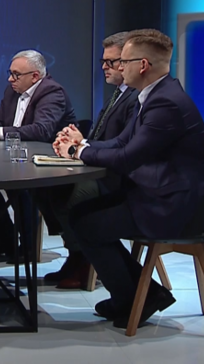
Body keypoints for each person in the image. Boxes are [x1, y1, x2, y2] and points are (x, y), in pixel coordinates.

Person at [54, 29, 204, 328]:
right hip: (158, 194)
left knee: (87, 223)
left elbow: (128, 158)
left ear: (142, 65)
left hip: (173, 206)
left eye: (123, 62)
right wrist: (82, 145)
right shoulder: (152, 96)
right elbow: (120, 143)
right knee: (80, 215)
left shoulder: (166, 103)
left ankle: (137, 297)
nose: (118, 67)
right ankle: (140, 294)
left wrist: (76, 152)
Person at [40, 32, 139, 289]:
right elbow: (106, 138)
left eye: (111, 61)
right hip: (102, 167)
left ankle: (84, 259)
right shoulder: (118, 94)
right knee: (45, 189)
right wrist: (79, 140)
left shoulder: (136, 98)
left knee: (72, 195)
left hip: (119, 179)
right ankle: (76, 254)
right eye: (103, 61)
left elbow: (124, 146)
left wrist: (80, 147)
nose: (104, 67)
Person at [0, 50, 77, 261]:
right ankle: (4, 239)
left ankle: (29, 247)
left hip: (46, 160)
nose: (10, 79)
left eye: (16, 75)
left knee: (19, 185)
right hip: (14, 156)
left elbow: (42, 131)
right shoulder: (12, 91)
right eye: (10, 73)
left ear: (35, 76)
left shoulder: (52, 92)